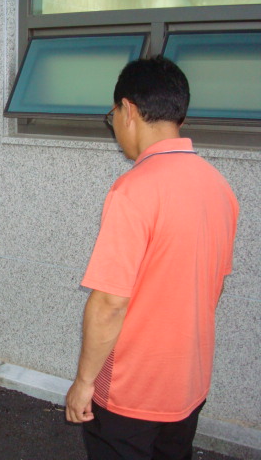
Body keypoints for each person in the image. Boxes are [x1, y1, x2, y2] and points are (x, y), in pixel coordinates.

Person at [65, 56, 239, 460]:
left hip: (131, 390)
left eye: (111, 117)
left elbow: (110, 302)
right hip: (188, 384)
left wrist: (84, 382)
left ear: (127, 110)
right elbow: (214, 285)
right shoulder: (218, 187)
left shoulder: (133, 190)